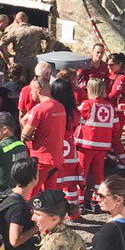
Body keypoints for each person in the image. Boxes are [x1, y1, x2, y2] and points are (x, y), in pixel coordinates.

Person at [76, 78, 117, 211]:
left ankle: (80, 201)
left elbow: (75, 118)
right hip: (103, 146)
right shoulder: (110, 107)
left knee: (82, 172)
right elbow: (116, 126)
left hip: (86, 145)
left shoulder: (87, 104)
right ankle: (97, 200)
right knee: (99, 173)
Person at [22, 78, 66, 194]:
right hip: (56, 158)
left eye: (32, 90)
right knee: (50, 193)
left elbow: (24, 134)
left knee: (31, 192)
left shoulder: (39, 109)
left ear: (38, 90)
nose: (30, 93)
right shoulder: (60, 107)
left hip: (40, 158)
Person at [50, 78, 81, 216]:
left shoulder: (54, 110)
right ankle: (74, 212)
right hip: (70, 147)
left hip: (57, 145)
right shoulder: (74, 112)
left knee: (55, 180)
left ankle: (56, 212)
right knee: (71, 182)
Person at [0, 13, 55, 79]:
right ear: (27, 19)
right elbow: (52, 39)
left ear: (16, 21)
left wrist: (8, 55)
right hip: (35, 62)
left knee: (20, 82)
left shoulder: (14, 32)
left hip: (20, 64)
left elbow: (0, 45)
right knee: (34, 82)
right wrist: (45, 53)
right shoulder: (37, 29)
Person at [105, 53, 125, 170]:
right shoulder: (111, 75)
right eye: (108, 65)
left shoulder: (122, 78)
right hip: (114, 111)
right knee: (111, 136)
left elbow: (112, 95)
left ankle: (123, 162)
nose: (109, 67)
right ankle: (112, 158)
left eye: (112, 65)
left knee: (115, 138)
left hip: (120, 112)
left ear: (119, 64)